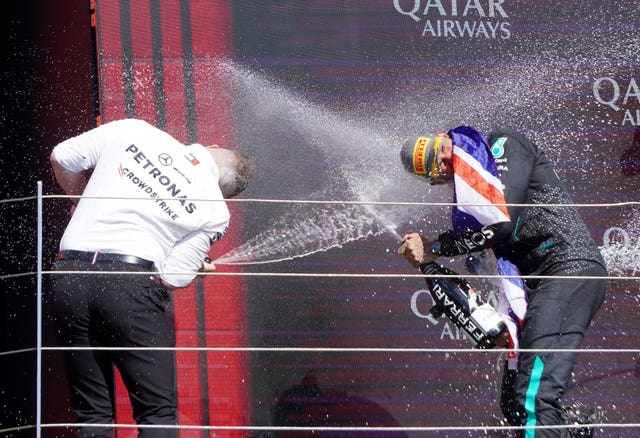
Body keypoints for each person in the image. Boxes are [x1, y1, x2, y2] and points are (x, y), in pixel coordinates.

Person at [396, 126, 607, 437]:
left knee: (534, 399)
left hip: (567, 269)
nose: (443, 161)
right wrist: (429, 263)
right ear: (434, 180)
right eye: (433, 167)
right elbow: (474, 279)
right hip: (539, 286)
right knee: (514, 406)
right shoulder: (469, 208)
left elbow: (503, 222)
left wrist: (437, 247)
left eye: (437, 149)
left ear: (442, 135)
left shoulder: (502, 144)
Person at [48, 118, 254, 437]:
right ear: (223, 192)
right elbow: (172, 276)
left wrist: (81, 202)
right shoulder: (216, 209)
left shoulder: (135, 129)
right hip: (129, 285)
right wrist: (196, 265)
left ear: (208, 147)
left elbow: (61, 157)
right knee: (156, 414)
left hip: (68, 276)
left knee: (91, 414)